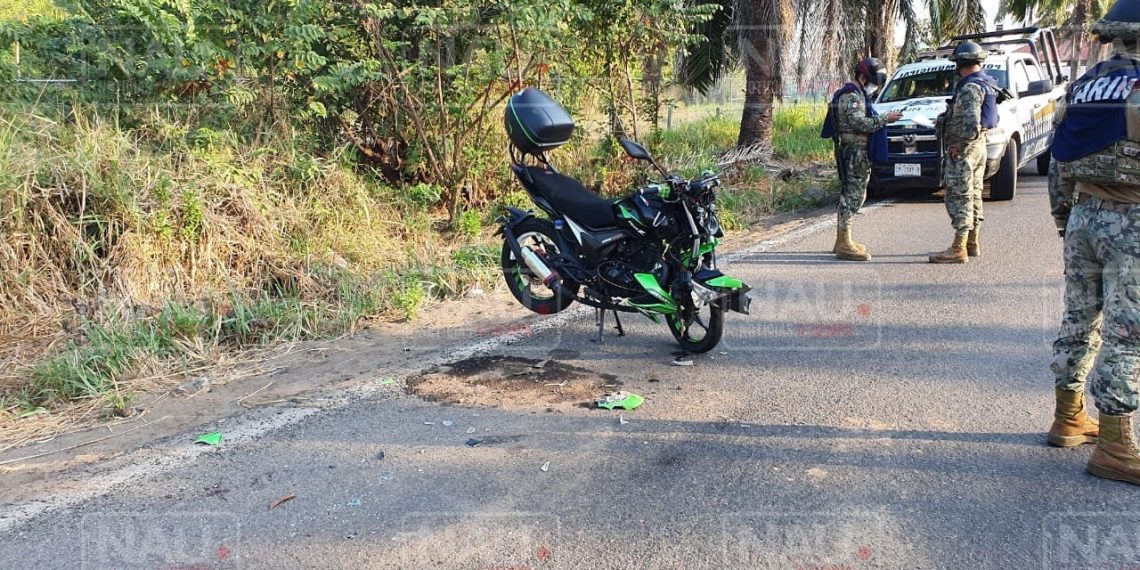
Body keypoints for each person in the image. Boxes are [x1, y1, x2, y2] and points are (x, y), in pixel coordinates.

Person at [1048, 0, 1140, 485]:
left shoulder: (1085, 86)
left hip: (1083, 215)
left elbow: (1059, 161)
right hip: (1134, 220)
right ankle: (1114, 447)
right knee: (1128, 333)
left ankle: (1068, 417)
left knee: (1079, 320)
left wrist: (1067, 222)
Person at [820, 58, 902, 261]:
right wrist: (885, 119)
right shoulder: (852, 97)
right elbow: (859, 123)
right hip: (854, 152)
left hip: (856, 151)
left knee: (854, 193)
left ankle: (843, 240)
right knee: (853, 196)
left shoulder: (856, 95)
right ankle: (844, 243)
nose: (873, 86)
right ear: (862, 77)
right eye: (872, 81)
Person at [929, 41, 1000, 264]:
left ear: (960, 63)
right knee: (975, 192)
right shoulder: (987, 83)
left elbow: (971, 124)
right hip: (979, 148)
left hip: (965, 149)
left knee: (960, 195)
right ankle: (972, 242)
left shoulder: (970, 88)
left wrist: (958, 147)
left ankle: (959, 247)